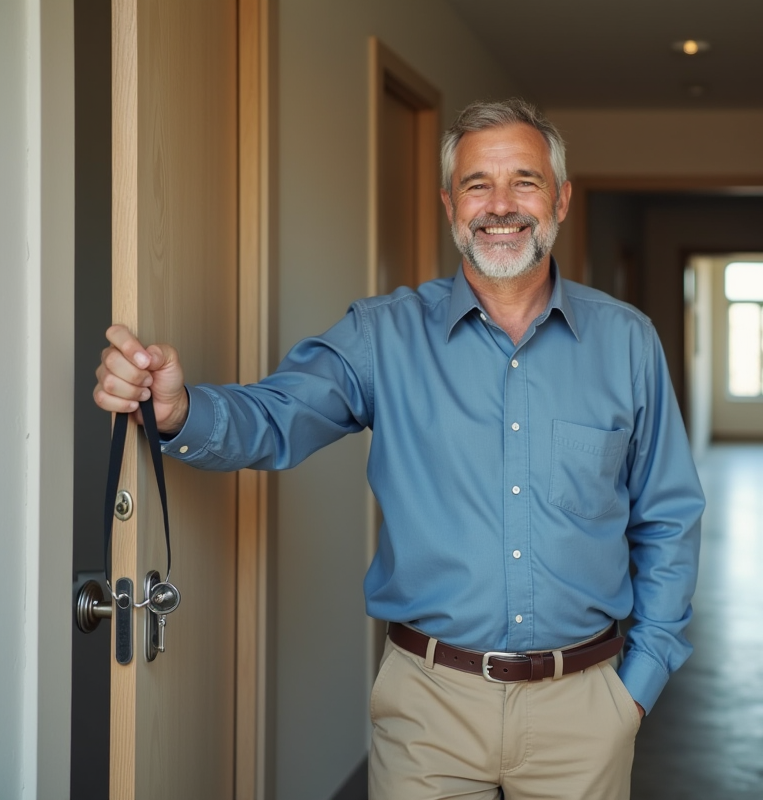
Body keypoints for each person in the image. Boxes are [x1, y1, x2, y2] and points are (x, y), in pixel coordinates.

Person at [93, 98, 704, 800]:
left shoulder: (628, 343)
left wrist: (636, 689)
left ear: (561, 198)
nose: (500, 205)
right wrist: (179, 409)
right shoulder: (382, 336)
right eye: (478, 184)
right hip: (428, 710)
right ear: (450, 204)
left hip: (584, 709)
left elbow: (669, 517)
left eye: (525, 181)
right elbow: (278, 414)